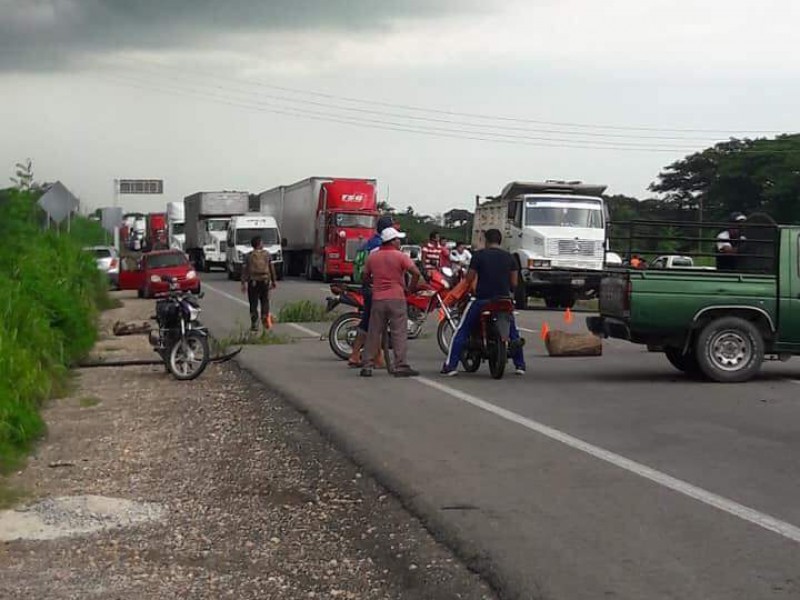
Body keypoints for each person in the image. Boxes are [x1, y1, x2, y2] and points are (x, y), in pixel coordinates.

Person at [441, 228, 525, 377]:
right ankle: (520, 365)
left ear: (486, 240)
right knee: (512, 330)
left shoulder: (479, 256)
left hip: (482, 300)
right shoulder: (510, 257)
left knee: (462, 330)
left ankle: (450, 365)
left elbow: (469, 278)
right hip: (504, 301)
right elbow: (514, 282)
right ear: (500, 241)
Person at [360, 227, 423, 378]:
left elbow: (364, 276)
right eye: (397, 239)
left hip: (378, 299)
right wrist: (410, 288)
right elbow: (416, 273)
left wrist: (374, 283)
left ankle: (367, 365)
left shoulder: (373, 257)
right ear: (393, 241)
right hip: (396, 297)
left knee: (374, 332)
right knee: (398, 332)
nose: (399, 241)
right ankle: (400, 365)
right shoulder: (400, 256)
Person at [348, 215, 394, 367]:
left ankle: (357, 355)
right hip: (375, 288)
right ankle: (376, 358)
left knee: (368, 322)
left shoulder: (370, 242)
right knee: (376, 324)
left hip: (367, 286)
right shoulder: (379, 246)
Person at [241, 235, 277, 332]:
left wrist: (243, 283)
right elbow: (271, 268)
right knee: (265, 301)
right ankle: (265, 321)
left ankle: (254, 324)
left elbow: (245, 270)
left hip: (253, 282)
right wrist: (274, 281)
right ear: (260, 244)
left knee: (253, 303)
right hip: (265, 281)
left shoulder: (248, 255)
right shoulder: (267, 254)